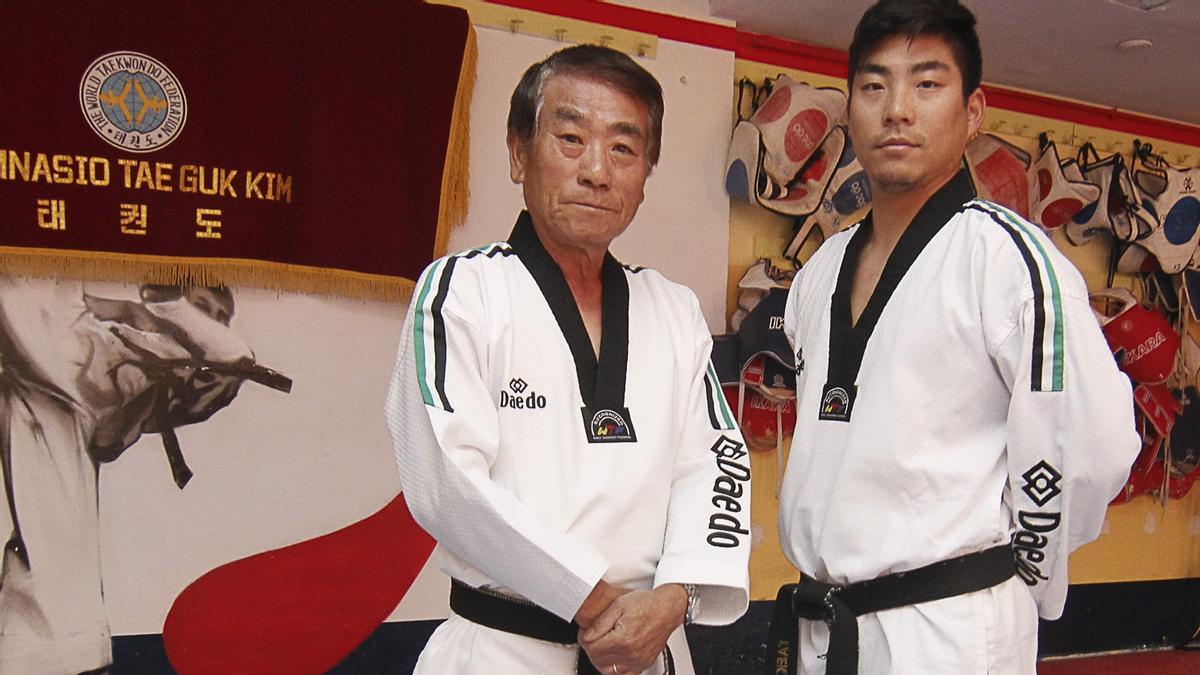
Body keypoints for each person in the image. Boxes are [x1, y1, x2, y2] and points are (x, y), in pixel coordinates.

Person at [771, 1, 1140, 673]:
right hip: (827, 621)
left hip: (947, 629)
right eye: (874, 86)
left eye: (927, 84)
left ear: (973, 113)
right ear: (849, 108)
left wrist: (1016, 568)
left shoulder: (1010, 261)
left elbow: (1092, 444)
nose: (898, 110)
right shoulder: (817, 272)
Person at [386, 44, 750, 675]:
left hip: (648, 649)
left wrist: (677, 596)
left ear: (645, 173)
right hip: (502, 652)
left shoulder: (673, 309)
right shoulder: (463, 291)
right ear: (517, 152)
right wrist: (594, 601)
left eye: (623, 148)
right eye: (572, 138)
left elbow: (715, 458)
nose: (597, 171)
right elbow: (444, 479)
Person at [0, 278, 257, 673]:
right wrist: (148, 309)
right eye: (202, 305)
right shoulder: (104, 341)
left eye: (222, 316)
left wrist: (166, 310)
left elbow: (234, 361)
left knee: (50, 546)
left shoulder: (165, 364)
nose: (213, 322)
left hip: (55, 403)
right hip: (51, 365)